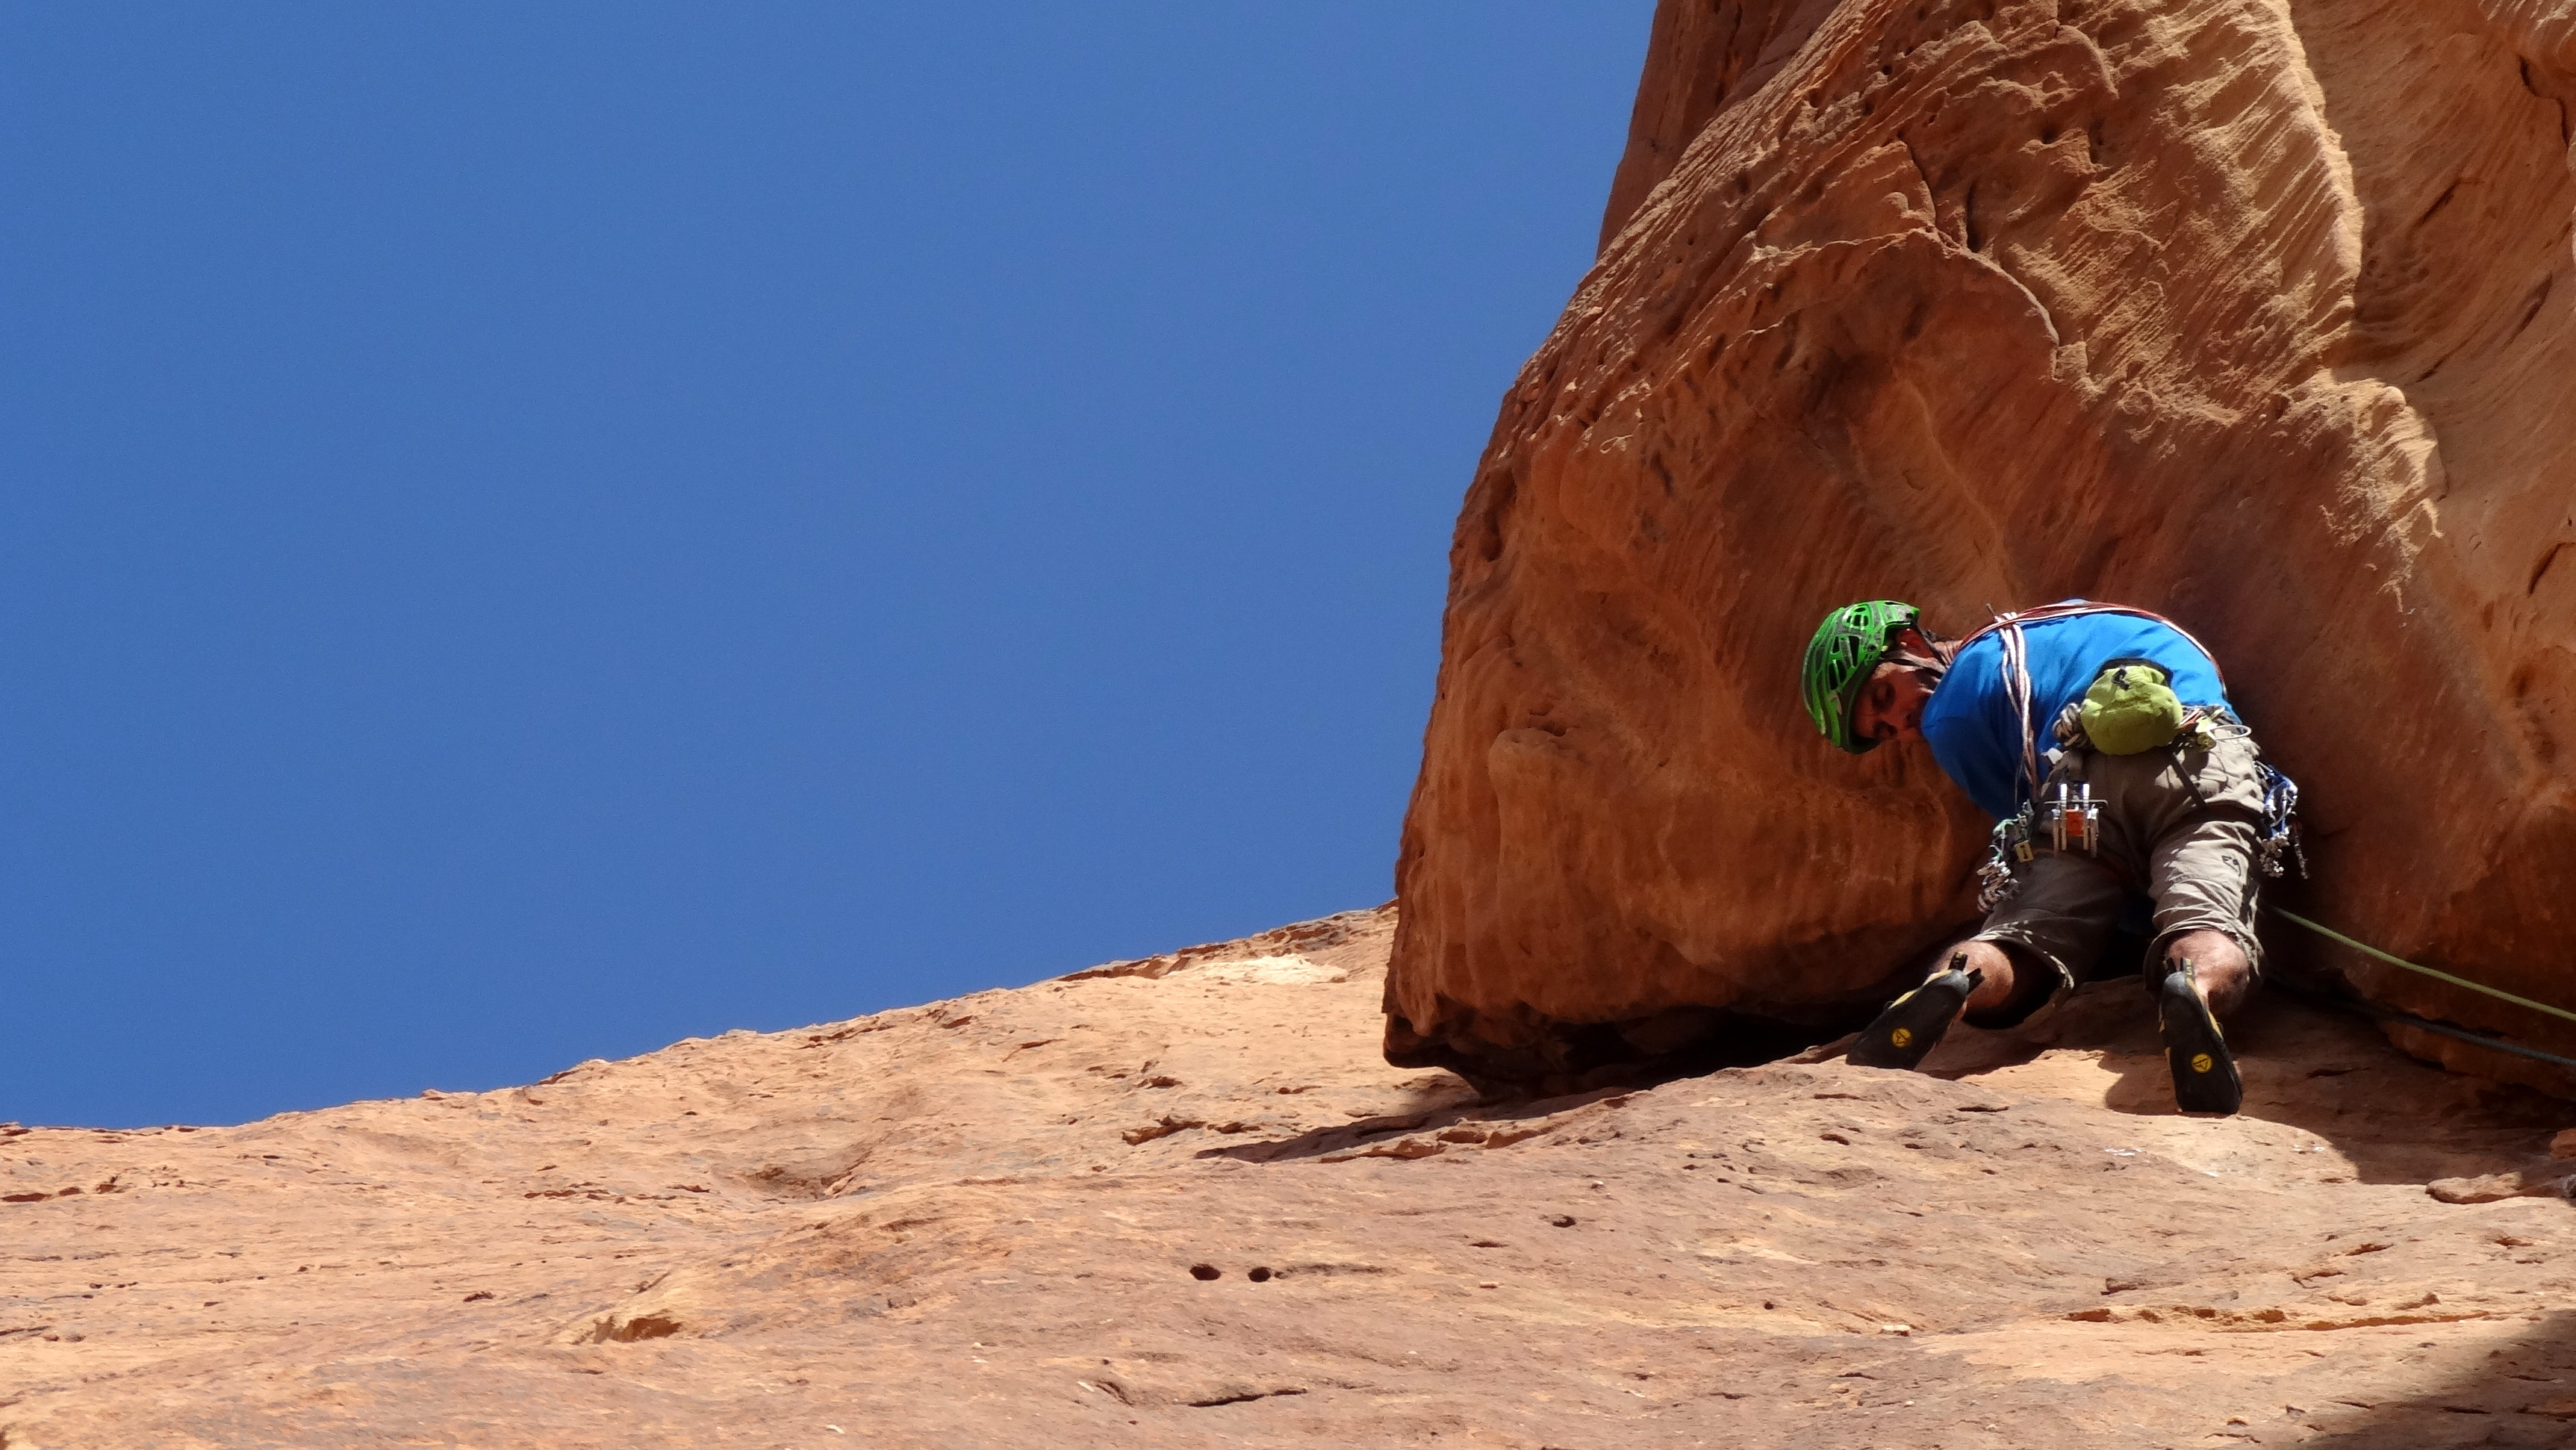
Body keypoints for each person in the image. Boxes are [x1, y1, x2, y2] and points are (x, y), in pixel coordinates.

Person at [1799, 599, 2288, 1115]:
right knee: (2205, 919)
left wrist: (2111, 902)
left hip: (2079, 791)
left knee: (2028, 932)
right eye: (1886, 732)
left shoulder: (1950, 718)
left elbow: (2024, 821)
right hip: (2199, 754)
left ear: (1913, 645)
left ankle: (1962, 979)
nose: (1903, 725)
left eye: (1885, 696)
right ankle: (2195, 987)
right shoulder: (2064, 618)